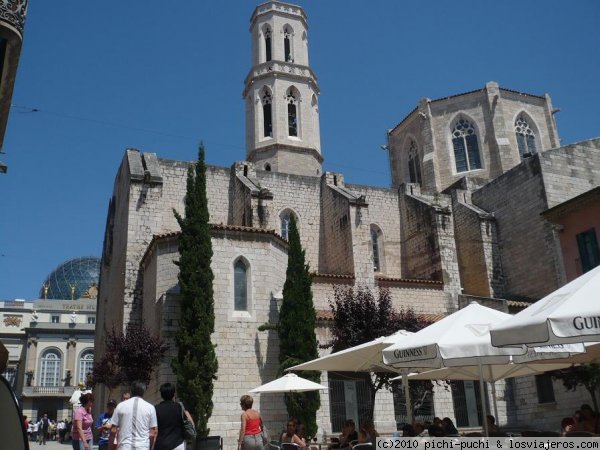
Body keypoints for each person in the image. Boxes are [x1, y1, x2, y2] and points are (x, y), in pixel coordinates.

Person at [109, 381, 158, 450]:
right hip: (143, 447)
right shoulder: (150, 407)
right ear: (144, 392)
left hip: (125, 446)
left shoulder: (120, 406)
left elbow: (113, 430)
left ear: (131, 392)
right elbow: (152, 433)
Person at [155, 382, 194, 450]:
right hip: (178, 444)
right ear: (173, 394)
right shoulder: (180, 407)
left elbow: (154, 429)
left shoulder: (155, 409)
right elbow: (190, 422)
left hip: (161, 445)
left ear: (161, 395)